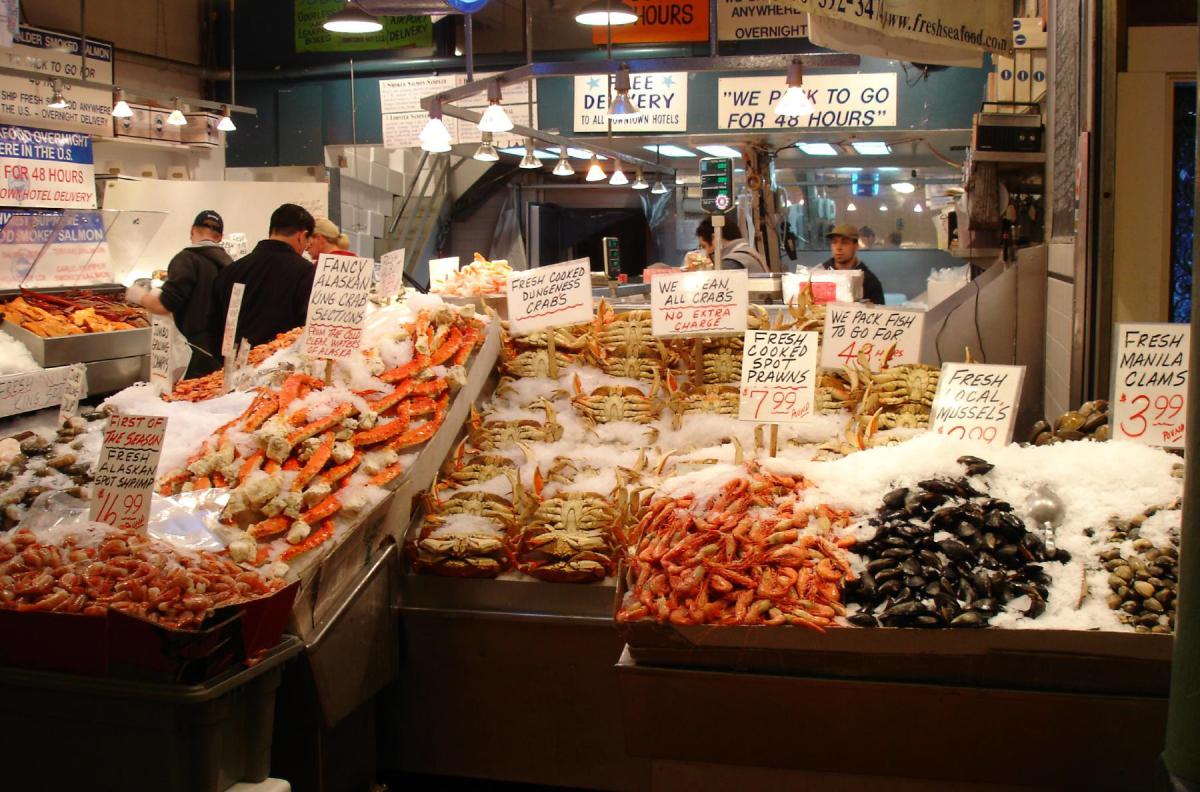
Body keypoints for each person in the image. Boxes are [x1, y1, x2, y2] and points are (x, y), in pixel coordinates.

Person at [125, 210, 231, 379]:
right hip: (221, 355)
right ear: (220, 237)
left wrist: (137, 295)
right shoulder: (230, 264)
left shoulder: (186, 259)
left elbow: (164, 305)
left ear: (192, 231)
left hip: (191, 356)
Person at [211, 203, 316, 349]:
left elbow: (214, 326)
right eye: (307, 242)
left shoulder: (231, 271)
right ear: (302, 236)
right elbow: (307, 326)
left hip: (233, 365)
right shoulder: (306, 271)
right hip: (282, 366)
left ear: (272, 230)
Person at [821, 223, 885, 305]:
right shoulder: (820, 275)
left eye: (844, 242)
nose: (838, 247)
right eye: (834, 242)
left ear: (855, 246)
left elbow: (879, 313)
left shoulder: (869, 281)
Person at [695, 216, 768, 273]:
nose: (706, 254)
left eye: (704, 246)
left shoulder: (731, 262)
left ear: (715, 238)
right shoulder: (748, 252)